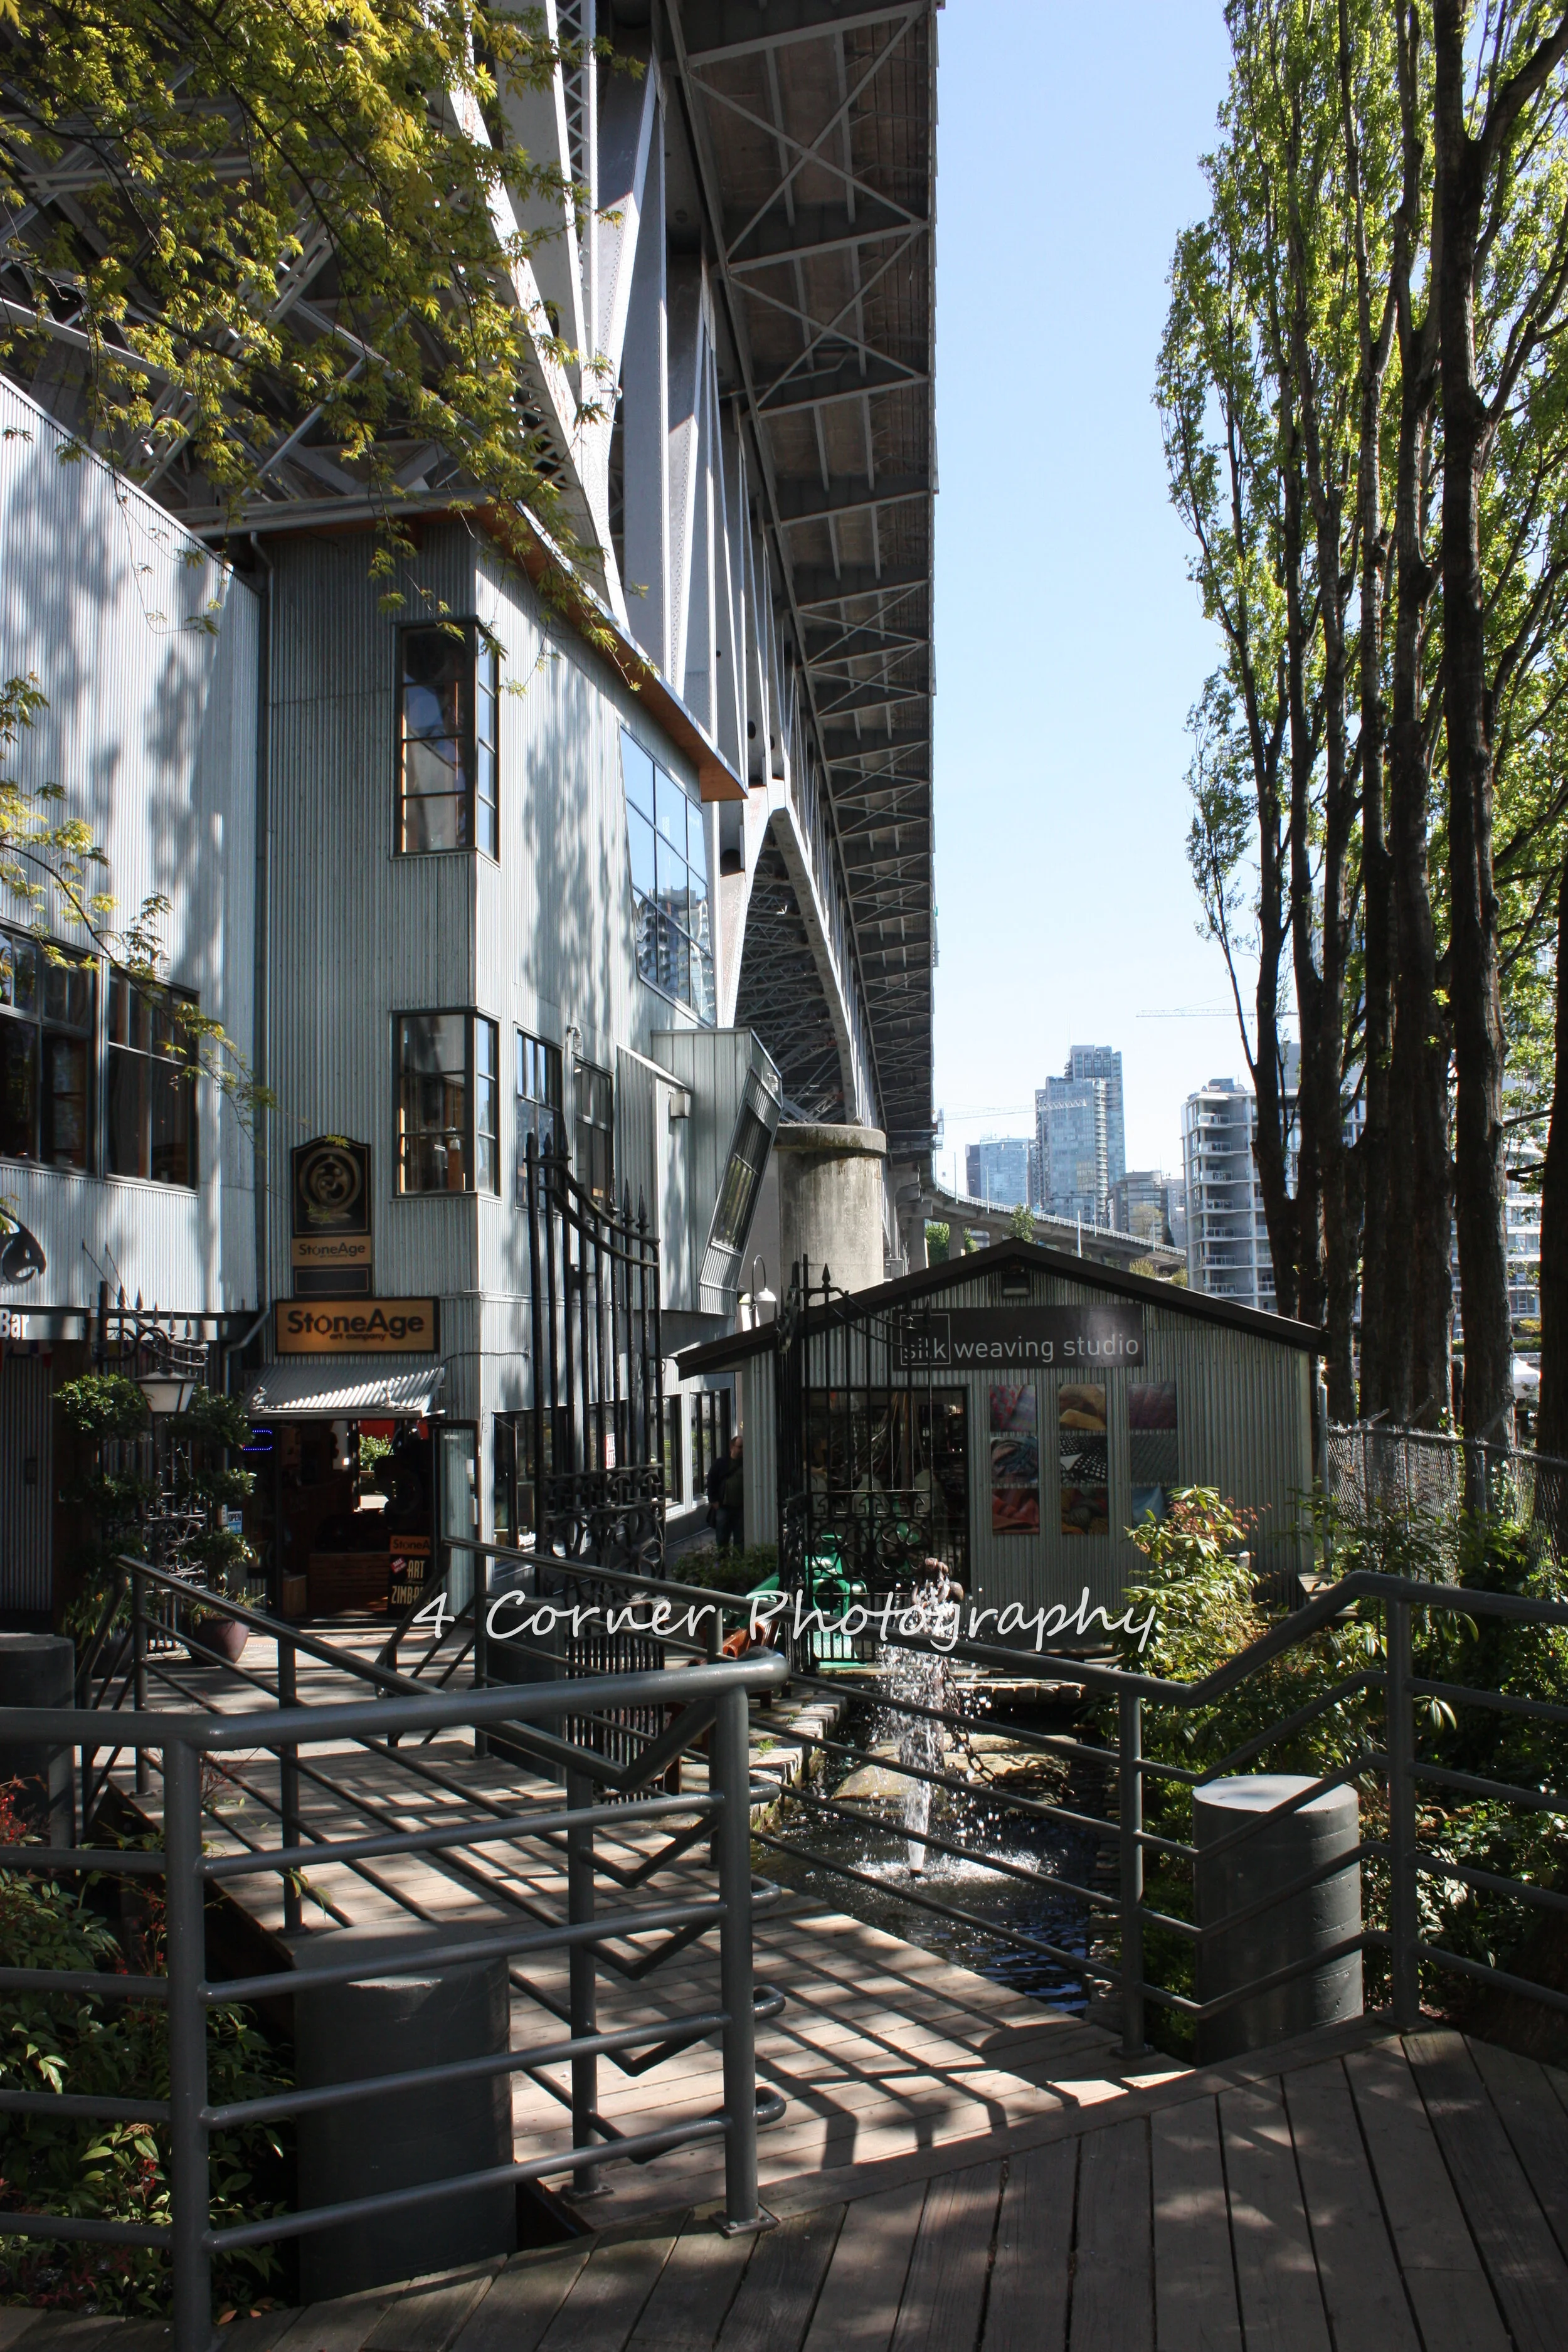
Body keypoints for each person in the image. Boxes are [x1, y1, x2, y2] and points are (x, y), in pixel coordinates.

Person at [709, 1429, 744, 1554]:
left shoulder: (746, 1463)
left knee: (740, 1540)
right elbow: (711, 1480)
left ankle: (738, 1565)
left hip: (740, 1508)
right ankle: (722, 1565)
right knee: (722, 1539)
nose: (742, 1451)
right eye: (740, 1447)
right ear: (732, 1447)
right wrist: (714, 1501)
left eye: (743, 1448)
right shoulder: (721, 1463)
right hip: (724, 1507)